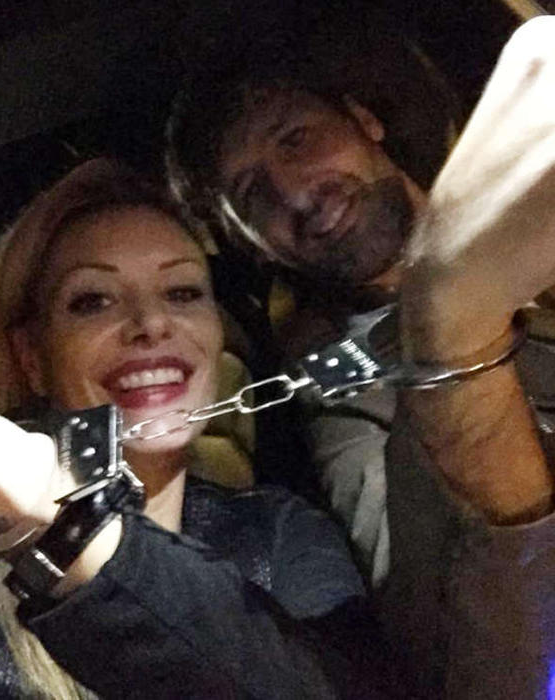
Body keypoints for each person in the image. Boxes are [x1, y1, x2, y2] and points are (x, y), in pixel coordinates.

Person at [168, 14, 555, 694]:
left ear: (365, 121)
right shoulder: (333, 392)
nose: (295, 193)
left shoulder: (529, 189)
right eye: (253, 195)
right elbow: (441, 631)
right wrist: (441, 328)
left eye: (296, 138)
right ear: (256, 246)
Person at [0, 158, 406, 699]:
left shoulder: (277, 534)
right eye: (93, 300)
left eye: (182, 292)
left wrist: (53, 520)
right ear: (32, 358)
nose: (152, 323)